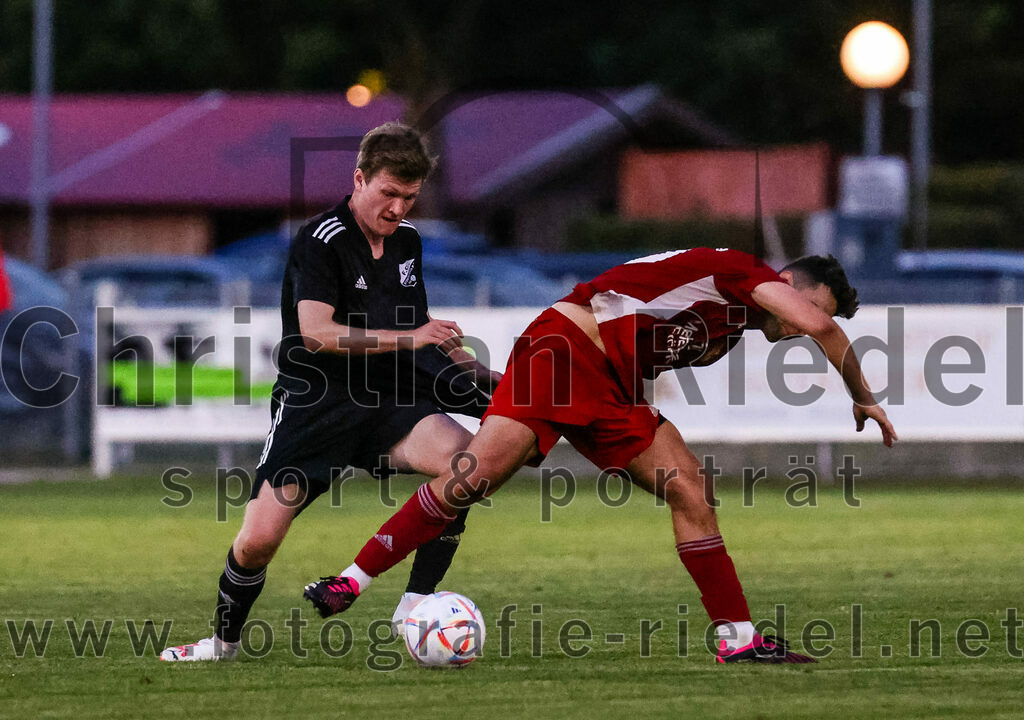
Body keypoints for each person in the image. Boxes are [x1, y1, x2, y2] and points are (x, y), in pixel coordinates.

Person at [302, 248, 897, 664]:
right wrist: (864, 395)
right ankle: (349, 582)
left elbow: (644, 335)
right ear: (787, 282)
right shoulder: (745, 272)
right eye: (813, 307)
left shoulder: (727, 330)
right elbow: (819, 326)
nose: (803, 327)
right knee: (473, 479)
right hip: (565, 352)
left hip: (607, 387)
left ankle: (738, 639)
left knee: (691, 489)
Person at [160, 122, 500, 662]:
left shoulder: (407, 242)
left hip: (386, 399)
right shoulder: (321, 240)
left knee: (468, 467)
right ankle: (221, 645)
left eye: (410, 198)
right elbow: (317, 333)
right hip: (317, 403)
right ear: (359, 179)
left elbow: (420, 327)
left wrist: (484, 375)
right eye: (389, 193)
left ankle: (415, 604)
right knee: (257, 543)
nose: (398, 208)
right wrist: (409, 338)